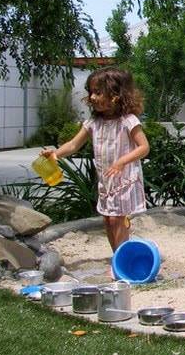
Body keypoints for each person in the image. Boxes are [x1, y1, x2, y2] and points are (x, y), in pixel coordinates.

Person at [43, 67, 150, 251]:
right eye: (91, 92)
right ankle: (117, 255)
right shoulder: (93, 123)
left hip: (124, 180)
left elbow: (144, 147)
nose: (92, 97)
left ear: (116, 95)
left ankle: (121, 258)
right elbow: (73, 144)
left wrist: (121, 162)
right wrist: (56, 154)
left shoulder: (128, 121)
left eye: (98, 92)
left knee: (116, 219)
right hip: (106, 182)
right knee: (108, 219)